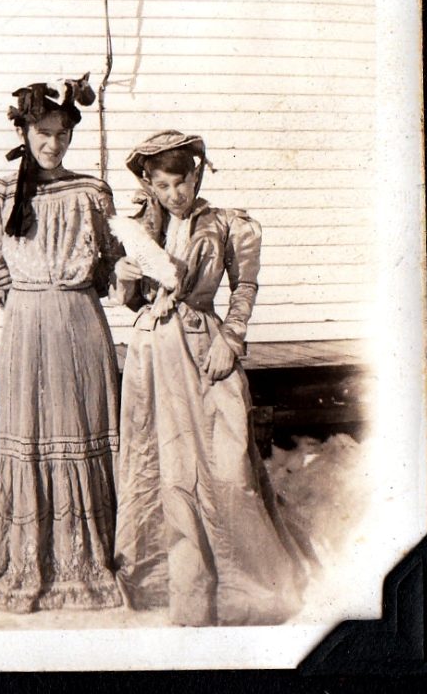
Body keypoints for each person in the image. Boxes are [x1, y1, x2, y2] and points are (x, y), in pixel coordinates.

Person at [112, 130, 311, 626]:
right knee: (162, 462)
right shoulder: (144, 227)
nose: (174, 194)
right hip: (154, 353)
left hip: (204, 345)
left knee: (225, 463)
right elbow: (136, 301)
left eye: (180, 182)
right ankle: (173, 586)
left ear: (195, 176)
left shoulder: (225, 224)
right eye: (162, 185)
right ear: (150, 186)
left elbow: (245, 284)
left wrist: (232, 339)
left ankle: (245, 587)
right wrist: (127, 280)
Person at [0, 76, 123, 612]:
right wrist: (23, 300)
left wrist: (131, 269)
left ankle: (90, 558)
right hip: (27, 327)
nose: (53, 144)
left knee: (84, 432)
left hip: (80, 323)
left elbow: (111, 269)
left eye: (62, 134)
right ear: (23, 130)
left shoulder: (91, 191)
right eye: (43, 132)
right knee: (32, 436)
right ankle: (32, 560)